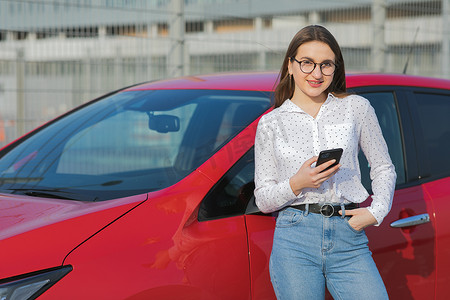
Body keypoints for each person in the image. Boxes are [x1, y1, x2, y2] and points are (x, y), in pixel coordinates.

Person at [254, 25, 396, 300]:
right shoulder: (271, 124)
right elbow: (263, 199)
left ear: (336, 68)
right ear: (290, 65)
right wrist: (297, 183)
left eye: (326, 64)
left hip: (349, 236)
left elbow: (382, 166)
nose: (317, 74)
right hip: (295, 239)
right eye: (307, 63)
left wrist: (377, 211)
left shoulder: (356, 107)